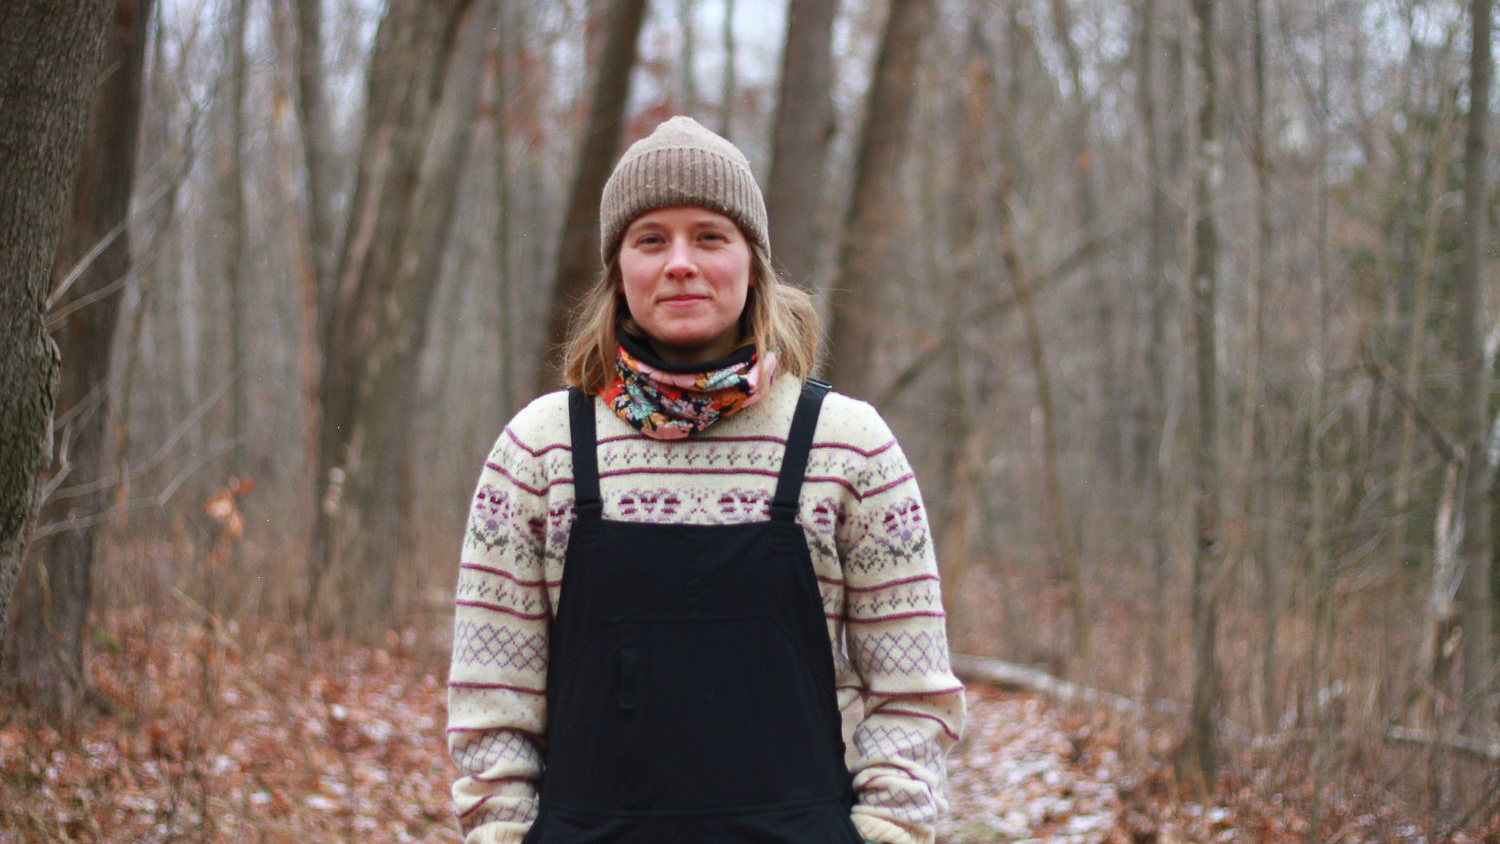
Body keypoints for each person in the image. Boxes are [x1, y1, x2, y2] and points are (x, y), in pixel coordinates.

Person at [446, 116, 965, 844]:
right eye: (651, 238)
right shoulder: (538, 453)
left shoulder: (850, 449)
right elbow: (490, 705)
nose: (680, 262)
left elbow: (912, 696)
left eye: (710, 236)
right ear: (618, 270)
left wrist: (887, 833)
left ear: (752, 261)